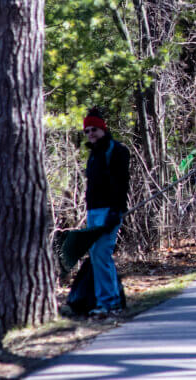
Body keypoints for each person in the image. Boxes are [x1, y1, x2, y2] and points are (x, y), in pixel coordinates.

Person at [68, 113, 130, 316]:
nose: (90, 134)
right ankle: (108, 300)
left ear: (103, 129)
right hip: (93, 211)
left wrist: (116, 210)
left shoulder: (117, 150)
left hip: (109, 211)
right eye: (86, 131)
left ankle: (109, 303)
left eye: (93, 129)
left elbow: (122, 183)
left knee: (102, 253)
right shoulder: (94, 154)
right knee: (96, 255)